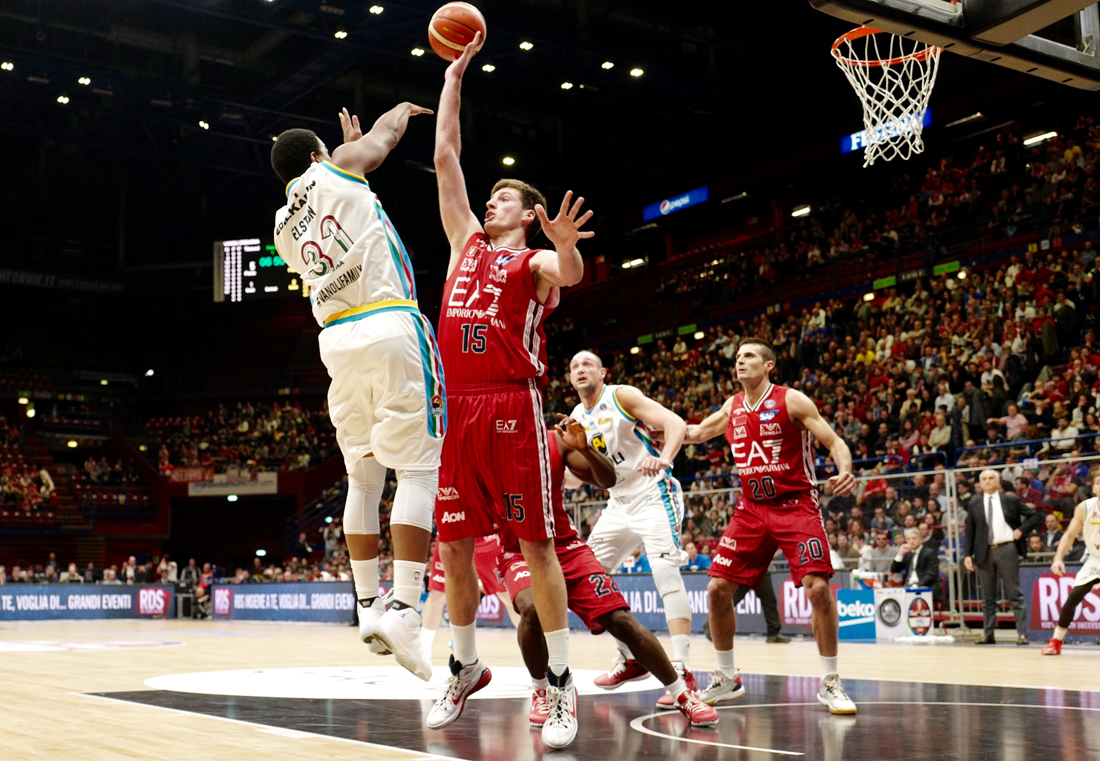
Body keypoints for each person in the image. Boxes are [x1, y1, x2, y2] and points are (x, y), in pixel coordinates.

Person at [427, 34, 593, 750]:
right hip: (458, 409)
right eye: (490, 195)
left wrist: (568, 245)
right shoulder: (463, 241)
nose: (490, 201)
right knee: (454, 545)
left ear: (526, 215)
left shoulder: (534, 263)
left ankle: (560, 680)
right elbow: (445, 154)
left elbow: (571, 273)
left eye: (504, 197)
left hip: (511, 406)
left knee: (536, 544)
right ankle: (465, 662)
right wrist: (453, 77)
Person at [271, 99, 444, 681]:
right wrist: (393, 117)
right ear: (316, 155)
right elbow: (384, 141)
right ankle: (407, 611)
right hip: (388, 320)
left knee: (363, 478)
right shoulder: (337, 165)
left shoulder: (281, 226)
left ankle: (368, 604)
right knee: (418, 469)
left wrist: (347, 153)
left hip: (336, 341)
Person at [501, 418, 717, 728]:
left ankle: (682, 693)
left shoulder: (554, 440)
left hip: (564, 545)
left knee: (620, 619)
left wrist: (586, 449)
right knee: (531, 609)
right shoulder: (484, 447)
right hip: (518, 548)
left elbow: (607, 480)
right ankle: (542, 690)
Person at [684, 337, 858, 714]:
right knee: (716, 589)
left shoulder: (791, 400)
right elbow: (694, 433)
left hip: (796, 505)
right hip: (752, 508)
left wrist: (845, 469)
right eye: (737, 357)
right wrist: (647, 427)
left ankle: (830, 681)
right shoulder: (732, 406)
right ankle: (726, 677)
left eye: (748, 356)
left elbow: (834, 441)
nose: (740, 361)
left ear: (768, 366)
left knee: (818, 589)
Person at [568, 350, 697, 708]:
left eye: (587, 364)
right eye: (574, 366)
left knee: (665, 571)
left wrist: (665, 458)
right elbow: (577, 477)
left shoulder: (620, 395)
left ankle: (683, 668)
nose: (580, 369)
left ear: (603, 372)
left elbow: (674, 423)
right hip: (617, 503)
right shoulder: (577, 417)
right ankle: (630, 656)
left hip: (653, 491)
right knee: (586, 578)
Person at [964, 469, 1042, 645]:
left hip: (1007, 548)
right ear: (979, 483)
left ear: (999, 481)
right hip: (984, 551)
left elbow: (1035, 516)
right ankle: (988, 634)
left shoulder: (1010, 500)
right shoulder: (974, 503)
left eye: (991, 478)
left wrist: (1021, 531)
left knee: (1014, 593)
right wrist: (967, 554)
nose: (988, 481)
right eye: (984, 479)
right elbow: (970, 531)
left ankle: (1022, 634)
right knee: (987, 597)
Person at [420, 535, 521, 664]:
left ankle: (534, 648)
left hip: (486, 538)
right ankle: (423, 652)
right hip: (452, 535)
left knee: (506, 594)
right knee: (437, 593)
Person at [1041, 475, 1100, 654]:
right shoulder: (1085, 507)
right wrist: (1058, 558)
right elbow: (1069, 535)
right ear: (1093, 488)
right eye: (1098, 483)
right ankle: (1056, 641)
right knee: (1074, 597)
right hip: (1096, 558)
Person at [891, 528, 941, 596]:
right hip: (908, 586)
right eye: (909, 539)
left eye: (914, 538)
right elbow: (894, 570)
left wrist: (917, 586)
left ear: (921, 540)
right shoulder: (908, 554)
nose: (911, 541)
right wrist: (901, 553)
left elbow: (931, 574)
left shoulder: (929, 553)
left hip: (925, 586)